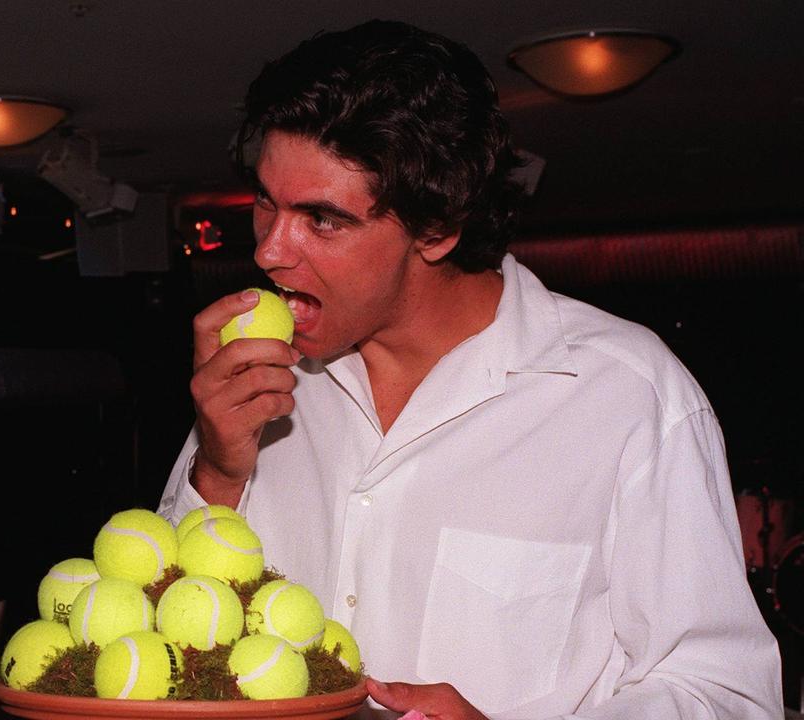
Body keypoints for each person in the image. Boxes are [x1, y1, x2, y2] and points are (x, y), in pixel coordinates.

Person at [158, 19, 781, 719]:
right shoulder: (255, 377)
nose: (272, 250)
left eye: (321, 219)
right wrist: (219, 472)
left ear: (437, 227)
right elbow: (161, 636)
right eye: (267, 205)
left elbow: (725, 696)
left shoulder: (625, 394)